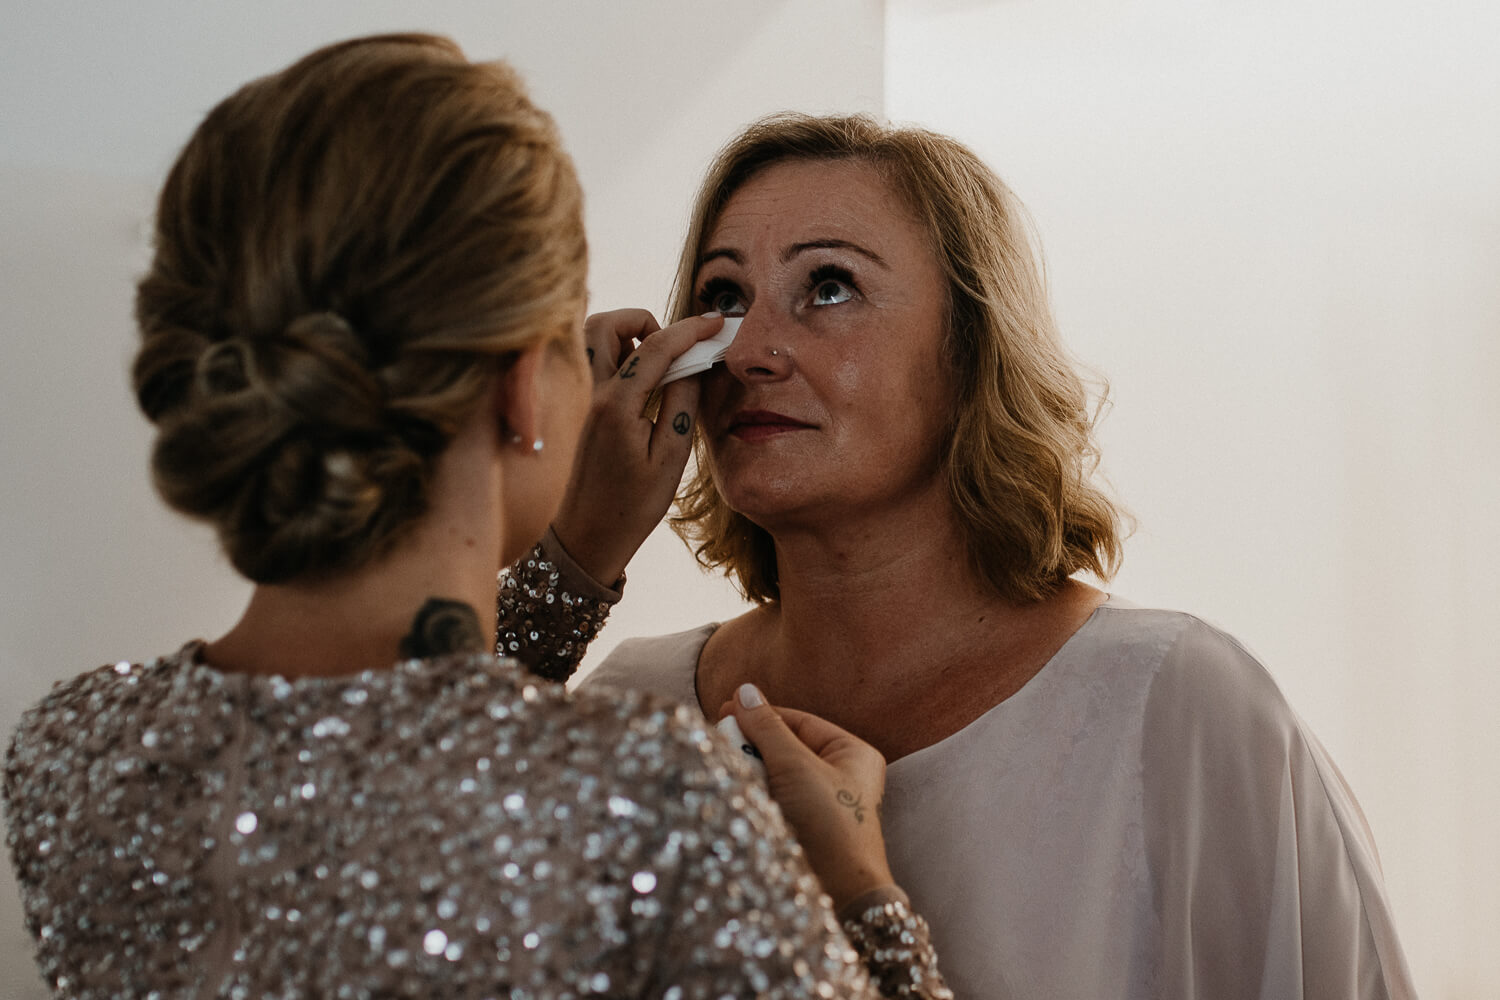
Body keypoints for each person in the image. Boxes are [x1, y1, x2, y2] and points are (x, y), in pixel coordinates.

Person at [2, 44, 951, 999]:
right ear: (520, 392)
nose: (749, 350)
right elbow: (439, 771)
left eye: (827, 287)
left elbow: (384, 770)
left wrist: (573, 559)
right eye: (568, 348)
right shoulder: (647, 797)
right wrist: (864, 897)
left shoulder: (71, 754)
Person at [528, 113, 1418, 998]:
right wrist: (569, 556)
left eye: (828, 287)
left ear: (971, 348)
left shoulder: (1180, 710)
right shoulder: (637, 709)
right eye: (723, 299)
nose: (751, 352)